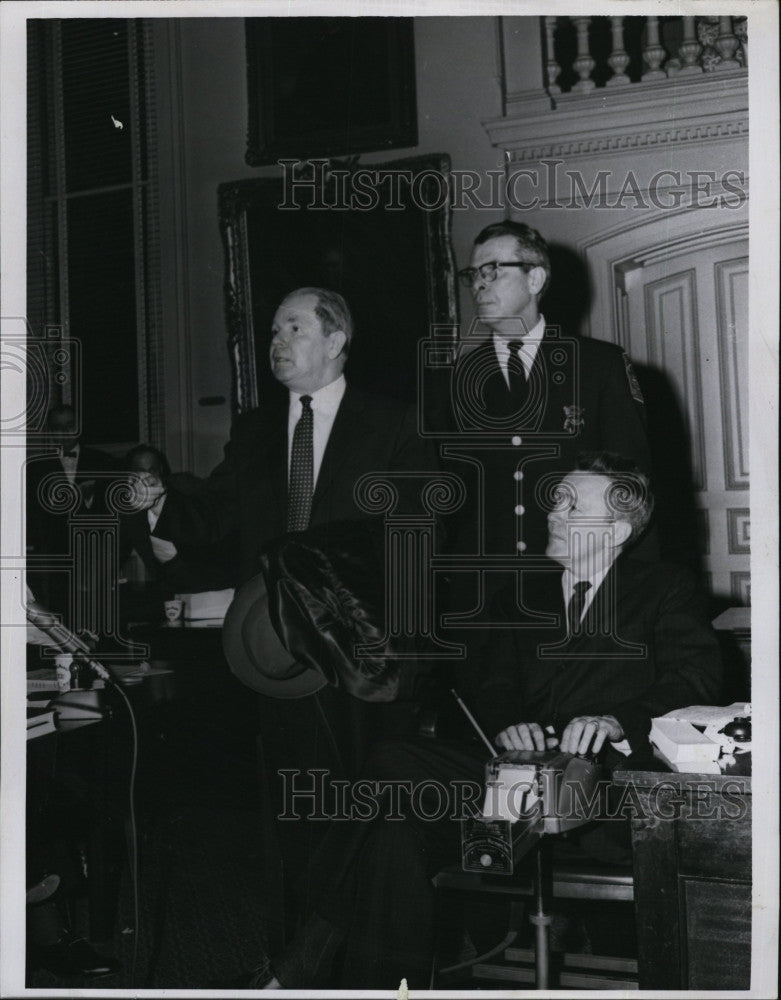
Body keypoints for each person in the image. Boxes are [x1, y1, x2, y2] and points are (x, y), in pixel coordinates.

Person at [238, 452, 722, 990]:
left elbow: (696, 678)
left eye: (570, 505)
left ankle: (300, 964)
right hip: (513, 785)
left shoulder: (663, 589)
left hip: (601, 792)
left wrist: (616, 721)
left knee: (393, 799)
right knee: (395, 786)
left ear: (616, 529)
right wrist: (508, 725)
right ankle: (377, 982)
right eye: (555, 501)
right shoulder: (522, 597)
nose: (554, 514)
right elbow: (490, 689)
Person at [154, 288, 439, 942]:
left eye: (293, 328)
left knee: (358, 803)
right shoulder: (256, 429)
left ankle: (357, 957)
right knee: (290, 803)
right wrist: (155, 507)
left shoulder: (395, 423)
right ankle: (295, 953)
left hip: (358, 650)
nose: (276, 342)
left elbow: (414, 538)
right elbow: (215, 516)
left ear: (336, 340)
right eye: (273, 329)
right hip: (275, 650)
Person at [447, 220, 652, 562]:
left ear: (535, 279)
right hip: (490, 587)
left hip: (576, 577)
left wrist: (635, 593)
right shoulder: (459, 376)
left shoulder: (599, 365)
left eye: (492, 270)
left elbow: (632, 488)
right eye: (473, 274)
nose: (479, 283)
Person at [26, 404, 119, 624]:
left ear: (79, 426)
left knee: (95, 612)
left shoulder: (103, 462)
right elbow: (33, 514)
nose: (64, 432)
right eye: (57, 427)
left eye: (70, 425)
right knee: (57, 611)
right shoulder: (36, 468)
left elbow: (110, 509)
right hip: (53, 552)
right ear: (50, 431)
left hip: (94, 549)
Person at [118, 443, 236, 606]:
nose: (146, 477)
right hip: (167, 595)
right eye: (139, 471)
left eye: (152, 470)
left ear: (162, 471)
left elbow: (211, 525)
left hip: (211, 590)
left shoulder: (187, 488)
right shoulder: (127, 511)